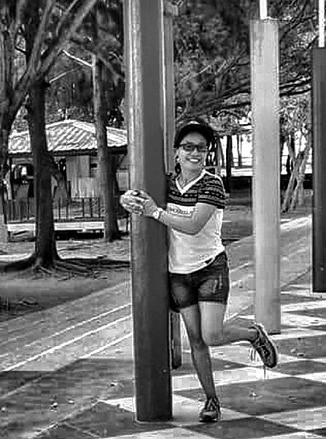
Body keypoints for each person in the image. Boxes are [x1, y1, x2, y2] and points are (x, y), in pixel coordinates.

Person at [120, 120, 278, 424]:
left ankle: (253, 334)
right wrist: (126, 198)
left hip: (210, 268)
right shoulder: (166, 183)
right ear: (177, 152)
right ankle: (211, 400)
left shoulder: (212, 184)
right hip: (178, 274)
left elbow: (193, 226)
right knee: (196, 340)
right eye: (188, 147)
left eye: (202, 148)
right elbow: (135, 196)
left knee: (212, 334)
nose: (195, 153)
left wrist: (155, 211)